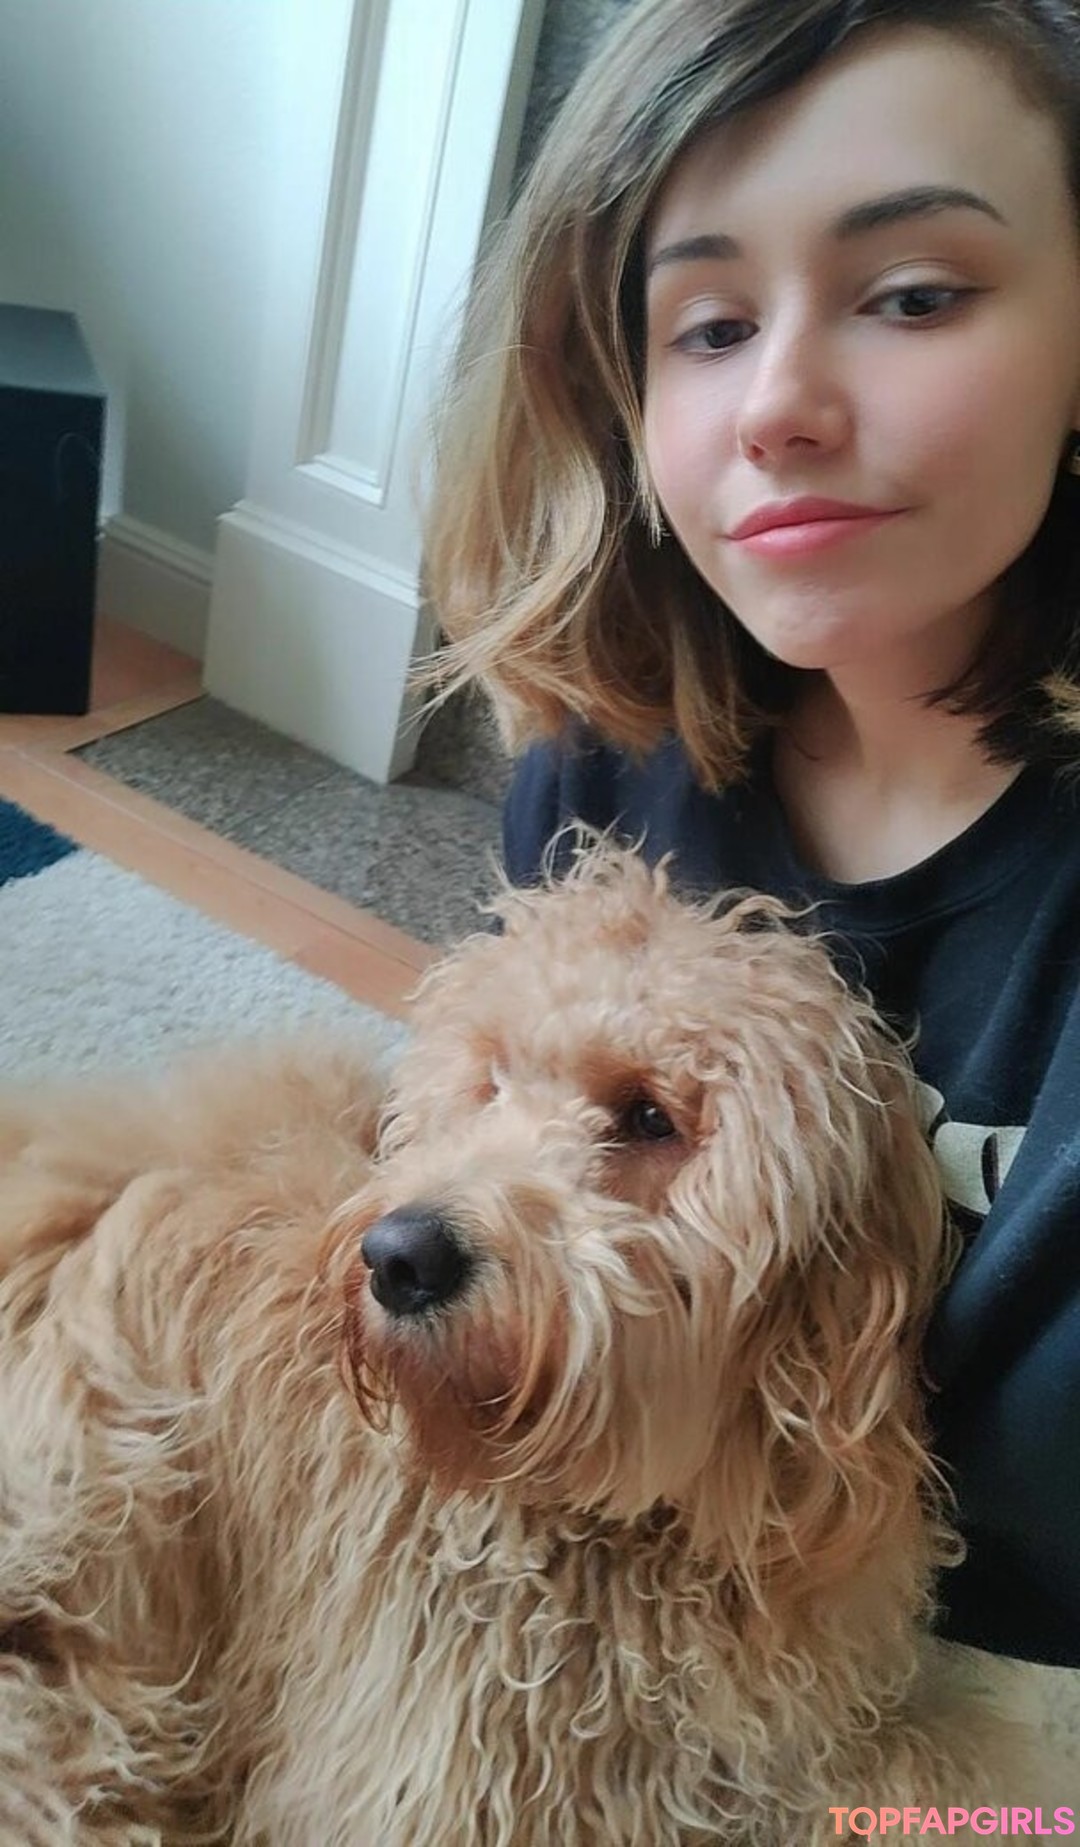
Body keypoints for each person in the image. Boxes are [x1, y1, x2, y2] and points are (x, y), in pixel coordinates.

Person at [423, 0, 1080, 1670]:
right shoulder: (596, 775)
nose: (779, 403)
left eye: (914, 296)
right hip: (649, 1592)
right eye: (708, 325)